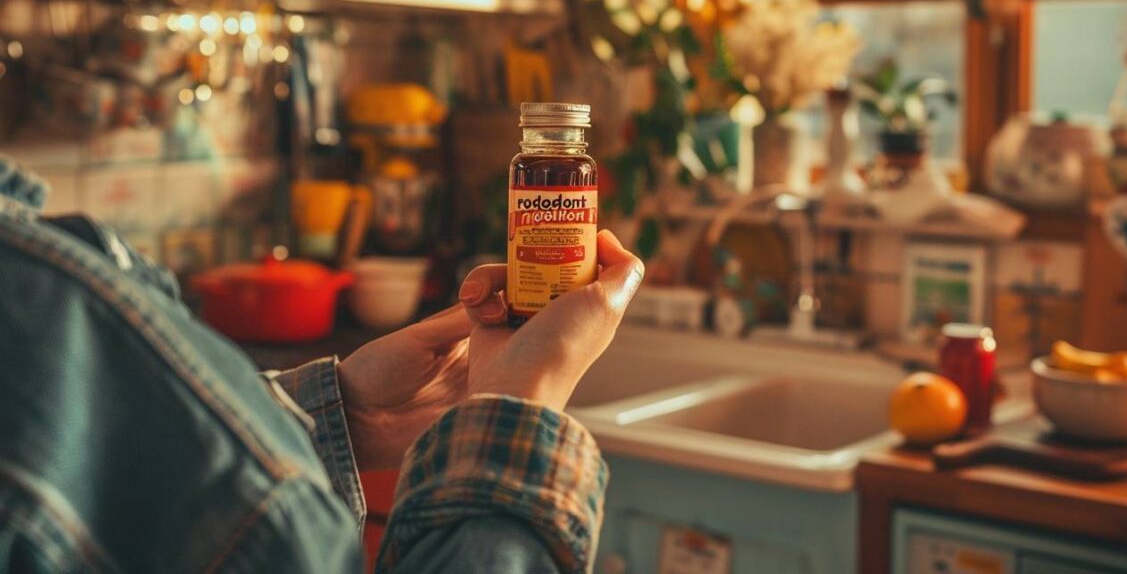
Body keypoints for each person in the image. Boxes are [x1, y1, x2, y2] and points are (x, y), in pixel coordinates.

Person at [0, 157, 644, 573]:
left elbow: (128, 464)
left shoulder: (37, 290)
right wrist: (521, 406)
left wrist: (347, 414)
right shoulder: (41, 300)